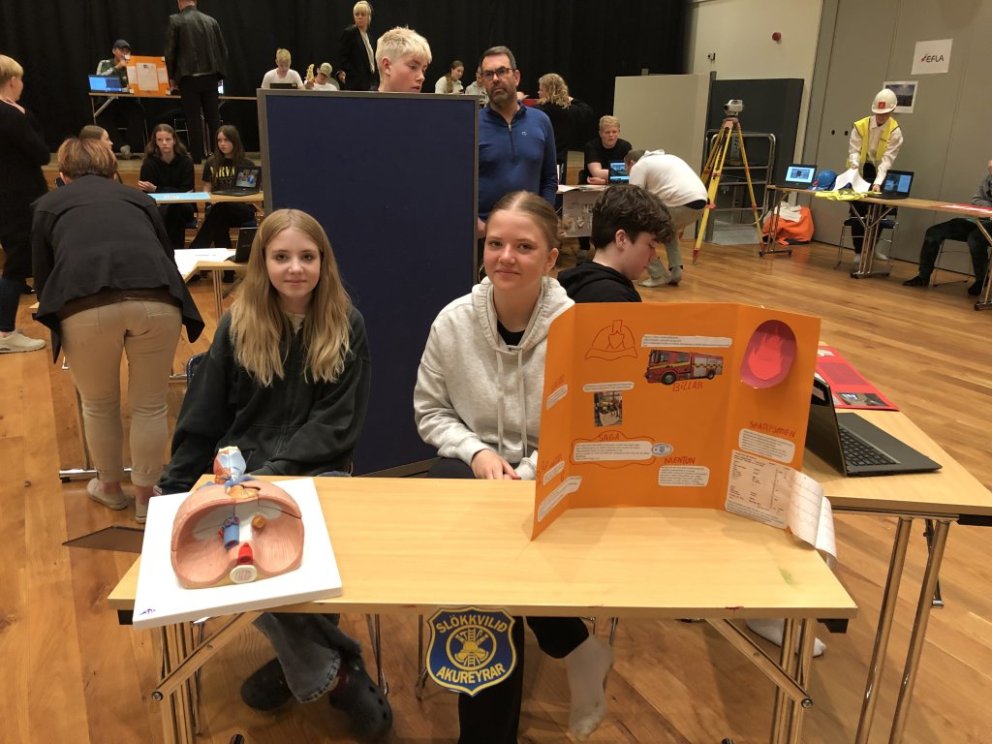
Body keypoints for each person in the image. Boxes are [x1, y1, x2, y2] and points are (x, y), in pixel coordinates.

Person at [156, 209, 387, 741]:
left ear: (324, 262)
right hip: (239, 472)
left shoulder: (347, 324)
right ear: (262, 263)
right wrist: (175, 487)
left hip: (320, 471)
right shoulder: (238, 324)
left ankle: (297, 664)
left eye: (307, 256)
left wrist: (272, 475)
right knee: (240, 561)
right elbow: (204, 412)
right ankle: (337, 671)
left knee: (286, 559)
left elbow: (338, 423)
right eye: (281, 257)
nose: (295, 268)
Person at [414, 191, 613, 743]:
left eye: (524, 247)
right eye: (495, 243)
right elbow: (430, 412)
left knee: (485, 576)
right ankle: (576, 646)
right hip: (476, 473)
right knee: (484, 573)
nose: (505, 257)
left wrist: (526, 475)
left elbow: (586, 426)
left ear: (551, 259)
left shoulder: (579, 330)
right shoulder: (452, 322)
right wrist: (477, 453)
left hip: (553, 476)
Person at [31, 137, 203, 520]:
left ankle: (109, 488)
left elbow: (42, 279)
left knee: (98, 404)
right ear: (113, 173)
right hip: (157, 298)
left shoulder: (47, 205)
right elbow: (166, 255)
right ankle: (145, 498)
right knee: (150, 404)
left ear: (63, 175)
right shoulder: (140, 200)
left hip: (83, 303)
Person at [477, 46, 557, 238]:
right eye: (488, 74)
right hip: (486, 235)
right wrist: (476, 224)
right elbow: (458, 185)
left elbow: (549, 179)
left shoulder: (541, 121)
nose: (495, 79)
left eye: (502, 71)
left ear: (516, 77)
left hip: (530, 233)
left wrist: (543, 220)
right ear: (483, 81)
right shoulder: (471, 124)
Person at [0, 54, 48, 354]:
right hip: (18, 200)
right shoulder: (11, 115)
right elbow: (41, 153)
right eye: (20, 79)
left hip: (8, 198)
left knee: (18, 262)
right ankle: (5, 332)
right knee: (17, 265)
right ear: (12, 80)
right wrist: (25, 115)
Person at [558, 184, 674, 303]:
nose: (653, 257)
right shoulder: (616, 298)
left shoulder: (570, 283)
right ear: (622, 239)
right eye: (651, 246)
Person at [903, 159, 992, 296]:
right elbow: (975, 200)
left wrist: (985, 206)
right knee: (934, 232)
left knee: (975, 239)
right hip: (978, 220)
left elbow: (980, 202)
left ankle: (981, 280)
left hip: (988, 225)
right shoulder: (988, 179)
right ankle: (923, 276)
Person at [626, 149, 708, 287]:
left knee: (638, 234)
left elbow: (634, 198)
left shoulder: (639, 166)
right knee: (669, 229)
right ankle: (676, 271)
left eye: (626, 169)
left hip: (679, 204)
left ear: (631, 163)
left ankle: (658, 274)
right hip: (700, 204)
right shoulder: (669, 157)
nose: (628, 173)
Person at [164, 0, 228, 163]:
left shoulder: (175, 20)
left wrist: (171, 78)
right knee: (214, 118)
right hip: (210, 77)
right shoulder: (211, 21)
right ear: (195, 2)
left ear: (179, 3)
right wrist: (219, 75)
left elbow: (170, 53)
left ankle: (196, 157)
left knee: (193, 119)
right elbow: (223, 50)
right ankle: (220, 155)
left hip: (188, 77)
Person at [846, 88, 903, 254]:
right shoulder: (860, 125)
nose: (881, 117)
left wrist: (878, 182)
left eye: (885, 114)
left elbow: (887, 160)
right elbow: (854, 150)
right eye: (878, 113)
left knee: (878, 213)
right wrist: (854, 171)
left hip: (881, 172)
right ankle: (858, 251)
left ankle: (869, 249)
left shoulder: (895, 131)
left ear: (892, 111)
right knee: (857, 211)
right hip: (863, 168)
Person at [190, 125, 256, 249]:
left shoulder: (246, 164)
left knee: (220, 208)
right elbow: (207, 188)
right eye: (219, 140)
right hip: (217, 208)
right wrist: (210, 200)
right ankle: (226, 258)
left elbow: (247, 195)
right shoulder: (211, 163)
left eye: (226, 140)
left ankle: (197, 247)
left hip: (241, 209)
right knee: (219, 215)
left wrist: (224, 201)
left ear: (234, 141)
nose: (222, 144)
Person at [138, 123, 196, 250]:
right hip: (158, 208)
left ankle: (171, 251)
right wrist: (170, 192)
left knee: (175, 208)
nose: (164, 143)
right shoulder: (149, 164)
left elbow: (186, 192)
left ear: (174, 140)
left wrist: (157, 189)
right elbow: (145, 195)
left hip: (184, 207)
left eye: (168, 139)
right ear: (155, 142)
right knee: (169, 211)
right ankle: (172, 251)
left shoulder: (186, 162)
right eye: (160, 140)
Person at [94, 39, 145, 157]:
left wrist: (133, 85)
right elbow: (98, 80)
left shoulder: (132, 65)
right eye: (122, 50)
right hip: (108, 101)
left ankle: (130, 148)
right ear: (114, 51)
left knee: (139, 112)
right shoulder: (105, 63)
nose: (124, 53)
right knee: (102, 115)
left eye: (127, 51)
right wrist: (117, 67)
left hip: (127, 101)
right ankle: (121, 146)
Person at [535, 72, 572, 174]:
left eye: (541, 90)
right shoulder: (569, 109)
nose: (538, 92)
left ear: (549, 91)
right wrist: (571, 99)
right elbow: (586, 110)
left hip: (541, 160)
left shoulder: (538, 111)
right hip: (559, 161)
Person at [375, 26, 432, 93]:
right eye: (413, 67)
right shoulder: (364, 99)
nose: (421, 77)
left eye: (423, 70)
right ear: (387, 66)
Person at [336, 1, 377, 92]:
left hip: (369, 82)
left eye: (363, 14)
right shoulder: (350, 33)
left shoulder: (369, 37)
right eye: (357, 14)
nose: (360, 17)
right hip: (355, 83)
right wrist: (354, 73)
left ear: (368, 17)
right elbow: (342, 57)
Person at [583, 116, 632, 185]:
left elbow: (631, 172)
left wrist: (605, 181)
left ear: (619, 132)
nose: (611, 135)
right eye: (607, 132)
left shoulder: (626, 146)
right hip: (593, 186)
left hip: (618, 186)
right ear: (600, 133)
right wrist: (622, 173)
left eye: (614, 132)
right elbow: (597, 173)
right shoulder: (591, 146)